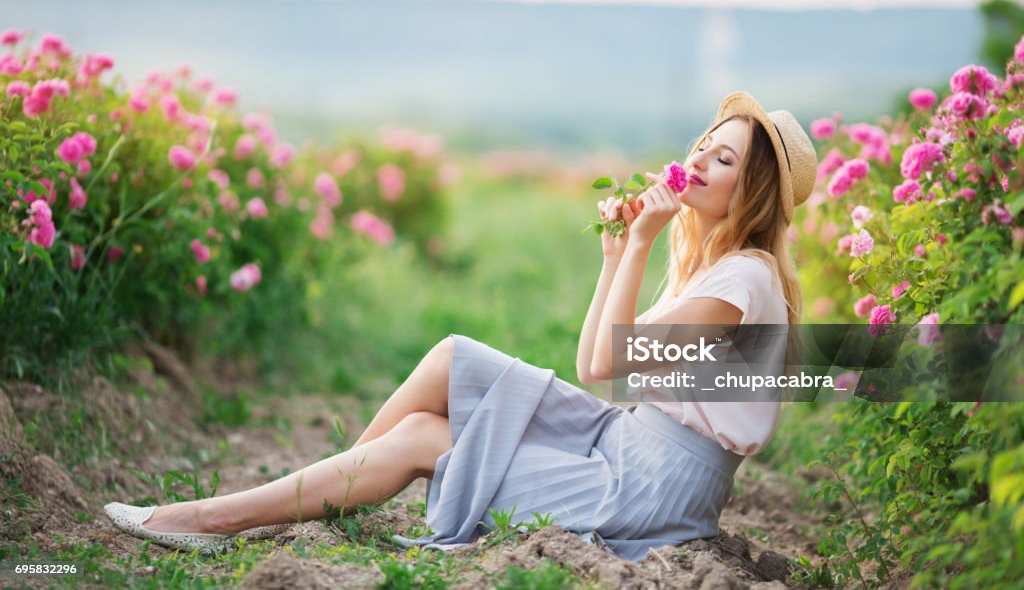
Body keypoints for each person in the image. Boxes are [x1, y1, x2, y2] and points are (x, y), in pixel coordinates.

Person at [105, 90, 817, 562]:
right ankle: (335, 487)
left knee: (423, 437)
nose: (697, 161)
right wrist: (613, 258)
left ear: (749, 191)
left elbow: (608, 369)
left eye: (722, 159)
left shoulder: (744, 280)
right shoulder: (719, 269)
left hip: (649, 485)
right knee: (453, 357)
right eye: (703, 144)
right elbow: (592, 368)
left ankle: (208, 520)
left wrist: (637, 245)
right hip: (623, 441)